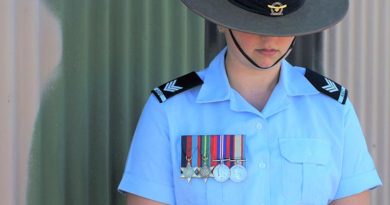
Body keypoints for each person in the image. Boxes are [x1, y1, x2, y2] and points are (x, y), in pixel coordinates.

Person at [118, 0, 382, 204]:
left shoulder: (332, 108)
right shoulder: (170, 109)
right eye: (253, 24)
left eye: (283, 26)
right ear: (222, 22)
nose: (270, 39)